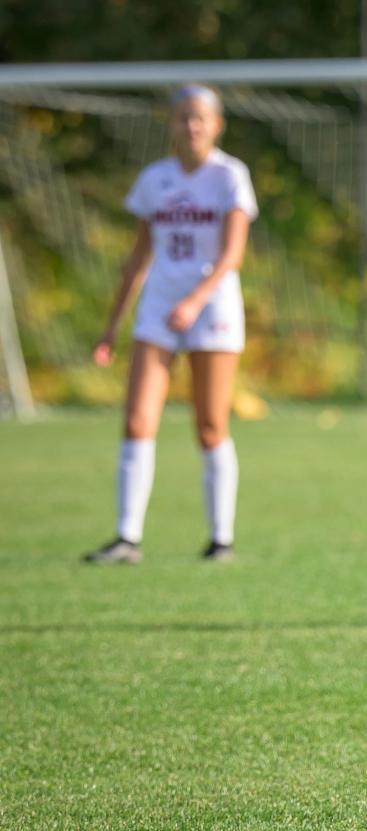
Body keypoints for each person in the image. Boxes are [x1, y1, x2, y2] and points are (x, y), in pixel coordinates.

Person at [85, 84, 256, 564]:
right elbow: (138, 257)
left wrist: (196, 299)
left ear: (216, 125)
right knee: (138, 419)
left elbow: (232, 254)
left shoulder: (230, 177)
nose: (191, 125)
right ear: (171, 125)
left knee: (209, 423)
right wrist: (111, 327)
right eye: (183, 117)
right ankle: (126, 539)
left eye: (200, 117)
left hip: (213, 308)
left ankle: (221, 541)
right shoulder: (154, 179)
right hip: (160, 307)